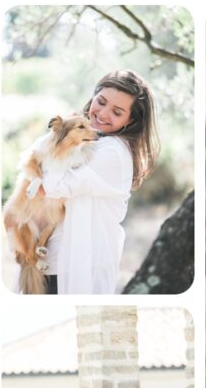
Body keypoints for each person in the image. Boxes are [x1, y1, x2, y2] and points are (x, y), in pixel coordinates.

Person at [37, 69, 160, 294]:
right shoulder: (94, 142)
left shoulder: (111, 151)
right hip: (54, 260)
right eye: (101, 102)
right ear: (93, 96)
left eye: (117, 111)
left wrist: (60, 137)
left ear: (130, 120)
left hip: (75, 265)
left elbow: (50, 186)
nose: (102, 114)